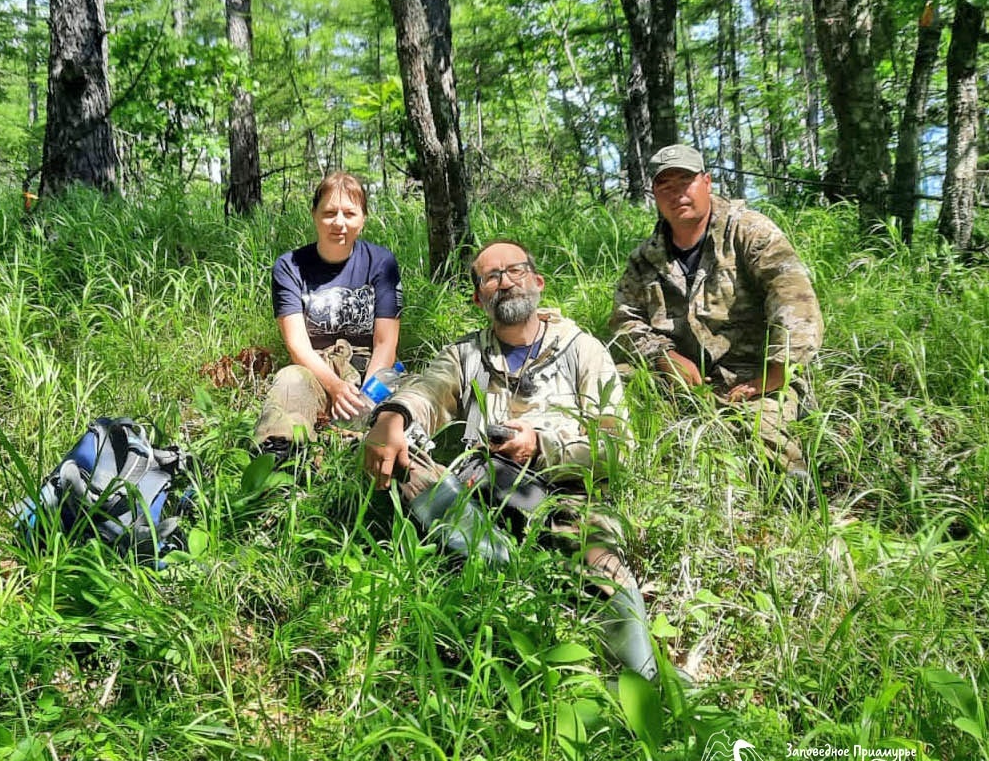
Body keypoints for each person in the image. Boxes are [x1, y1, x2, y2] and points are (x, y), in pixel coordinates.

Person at [362, 239, 661, 680]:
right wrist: (392, 417)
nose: (505, 281)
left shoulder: (582, 349)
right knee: (399, 456)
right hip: (479, 488)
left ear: (537, 282)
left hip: (565, 494)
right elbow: (426, 390)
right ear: (478, 297)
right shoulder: (464, 354)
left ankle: (640, 680)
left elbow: (617, 447)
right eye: (491, 276)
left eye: (515, 270)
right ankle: (508, 565)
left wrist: (541, 446)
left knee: (604, 568)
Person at [610, 144, 825, 476]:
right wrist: (662, 356)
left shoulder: (748, 231)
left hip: (752, 377)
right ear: (654, 194)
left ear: (706, 182)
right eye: (664, 186)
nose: (676, 193)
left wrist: (777, 371)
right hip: (680, 379)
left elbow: (794, 297)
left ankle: (798, 509)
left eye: (685, 181)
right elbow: (625, 318)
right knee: (608, 389)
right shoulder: (646, 258)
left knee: (765, 450)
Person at [253, 172, 403, 459]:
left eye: (349, 213)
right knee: (289, 381)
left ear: (363, 218)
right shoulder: (290, 267)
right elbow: (296, 344)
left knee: (396, 411)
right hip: (313, 367)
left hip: (368, 367)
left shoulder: (382, 263)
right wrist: (334, 387)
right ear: (314, 215)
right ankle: (279, 456)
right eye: (329, 213)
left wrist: (365, 398)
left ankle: (366, 455)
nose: (339, 223)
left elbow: (386, 344)